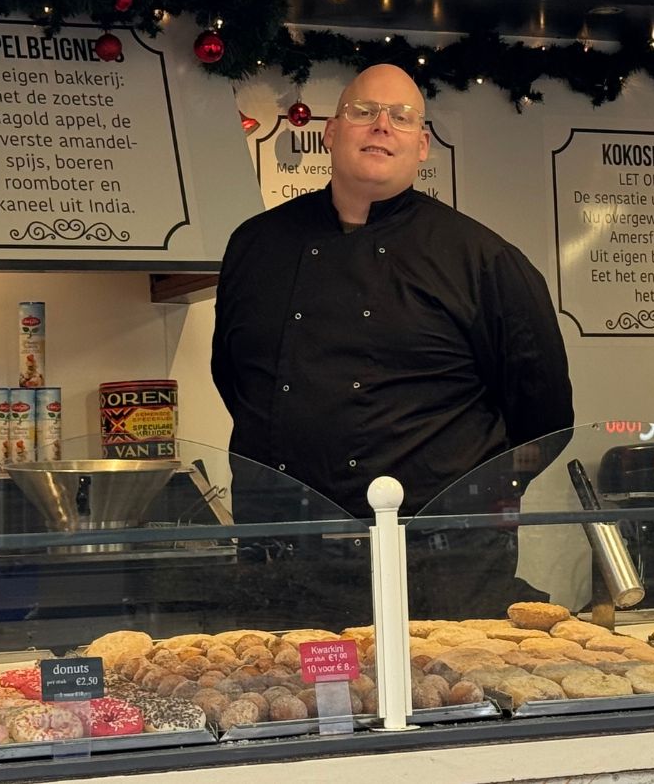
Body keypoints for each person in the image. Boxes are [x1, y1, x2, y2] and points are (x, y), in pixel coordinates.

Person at [211, 64, 574, 616]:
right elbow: (237, 380)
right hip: (283, 572)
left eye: (401, 118)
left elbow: (545, 420)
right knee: (290, 704)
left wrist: (464, 511)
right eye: (363, 111)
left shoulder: (484, 259)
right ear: (331, 132)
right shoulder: (256, 245)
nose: (382, 126)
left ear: (422, 145)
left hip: (438, 575)